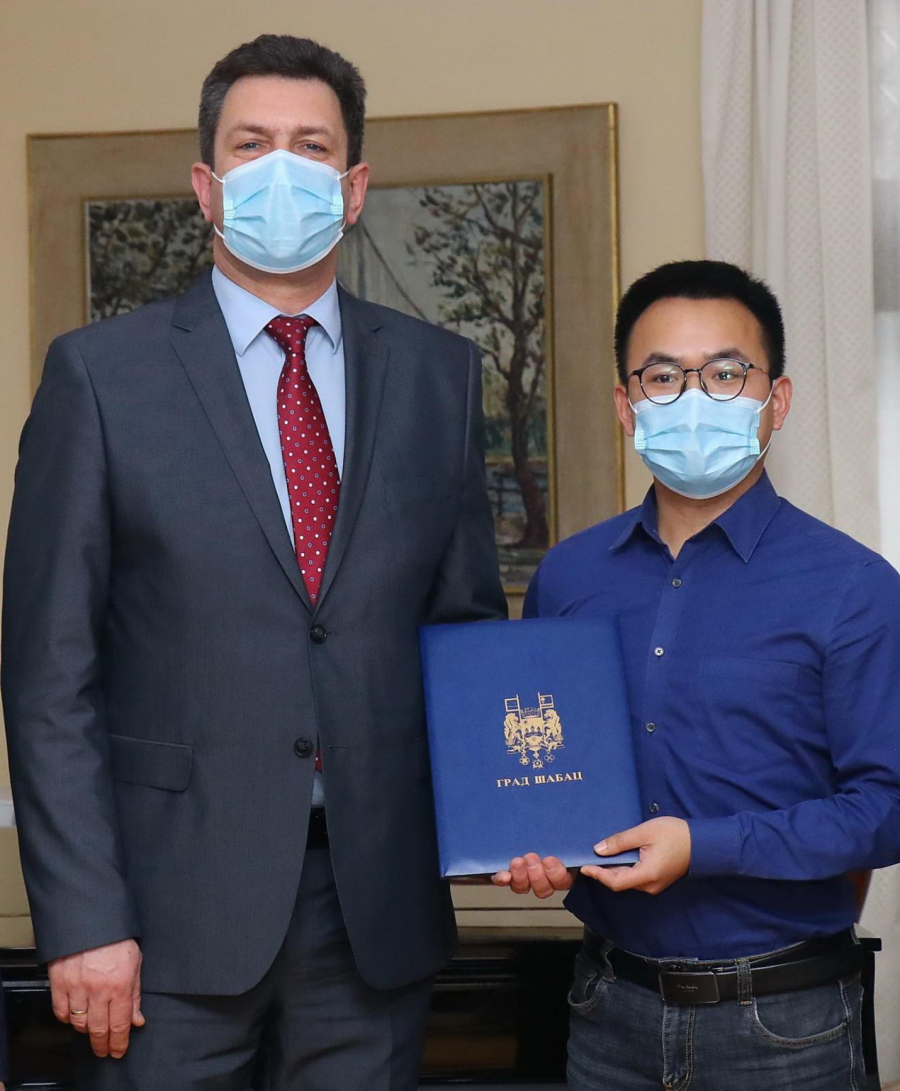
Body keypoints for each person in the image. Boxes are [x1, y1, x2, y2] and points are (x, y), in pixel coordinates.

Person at [2, 34, 506, 1089]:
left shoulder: (440, 377)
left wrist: (520, 813)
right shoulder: (100, 377)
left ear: (354, 188)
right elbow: (49, 674)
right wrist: (84, 918)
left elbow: (464, 637)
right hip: (163, 916)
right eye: (252, 143)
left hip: (375, 912)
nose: (283, 167)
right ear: (207, 185)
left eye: (312, 146)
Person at [493, 260, 900, 1090]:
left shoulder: (854, 586)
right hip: (607, 1008)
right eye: (663, 376)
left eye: (724, 373)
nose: (693, 398)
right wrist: (540, 845)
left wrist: (703, 845)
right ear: (626, 404)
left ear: (776, 399)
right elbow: (546, 768)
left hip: (785, 1024)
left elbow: (887, 807)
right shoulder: (568, 577)